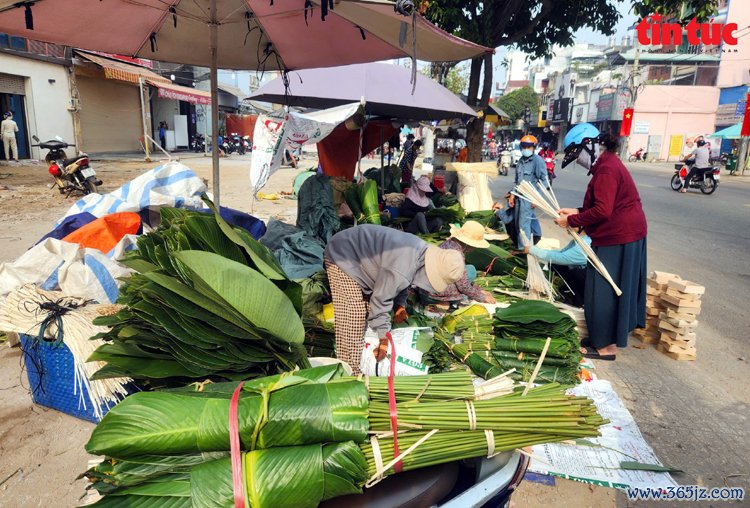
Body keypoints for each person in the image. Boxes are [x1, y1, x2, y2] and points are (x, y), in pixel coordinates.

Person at [556, 123, 647, 361]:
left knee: (604, 290)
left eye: (578, 155)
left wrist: (573, 220)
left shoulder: (606, 169)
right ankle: (601, 338)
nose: (578, 161)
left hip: (620, 235)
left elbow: (603, 211)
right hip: (618, 233)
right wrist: (575, 211)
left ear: (591, 145)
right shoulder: (605, 165)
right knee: (600, 287)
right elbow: (601, 205)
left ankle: (607, 348)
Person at [324, 225, 465, 372]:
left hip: (361, 256)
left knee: (367, 312)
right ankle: (348, 370)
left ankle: (356, 357)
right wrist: (383, 339)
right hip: (343, 254)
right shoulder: (403, 265)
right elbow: (381, 300)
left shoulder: (420, 254)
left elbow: (402, 281)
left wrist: (400, 305)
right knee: (354, 314)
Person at [421, 221, 496, 305]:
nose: (475, 248)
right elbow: (462, 286)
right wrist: (482, 297)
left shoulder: (449, 243)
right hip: (431, 296)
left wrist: (478, 290)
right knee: (470, 273)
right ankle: (443, 301)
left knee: (470, 269)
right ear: (468, 244)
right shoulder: (457, 255)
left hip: (423, 288)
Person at [523, 232, 591, 307]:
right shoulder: (579, 239)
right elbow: (561, 252)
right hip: (578, 270)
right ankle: (566, 288)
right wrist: (534, 250)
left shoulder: (586, 243)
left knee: (577, 273)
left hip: (587, 278)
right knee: (554, 264)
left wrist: (532, 250)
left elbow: (562, 258)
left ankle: (580, 301)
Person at [512, 134, 549, 249]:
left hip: (529, 198)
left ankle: (524, 250)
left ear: (534, 147)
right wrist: (512, 195)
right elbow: (517, 182)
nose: (526, 149)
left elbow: (545, 181)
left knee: (524, 226)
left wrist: (536, 197)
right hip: (518, 197)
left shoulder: (538, 161)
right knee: (518, 224)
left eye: (529, 147)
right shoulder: (520, 162)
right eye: (524, 146)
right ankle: (526, 245)